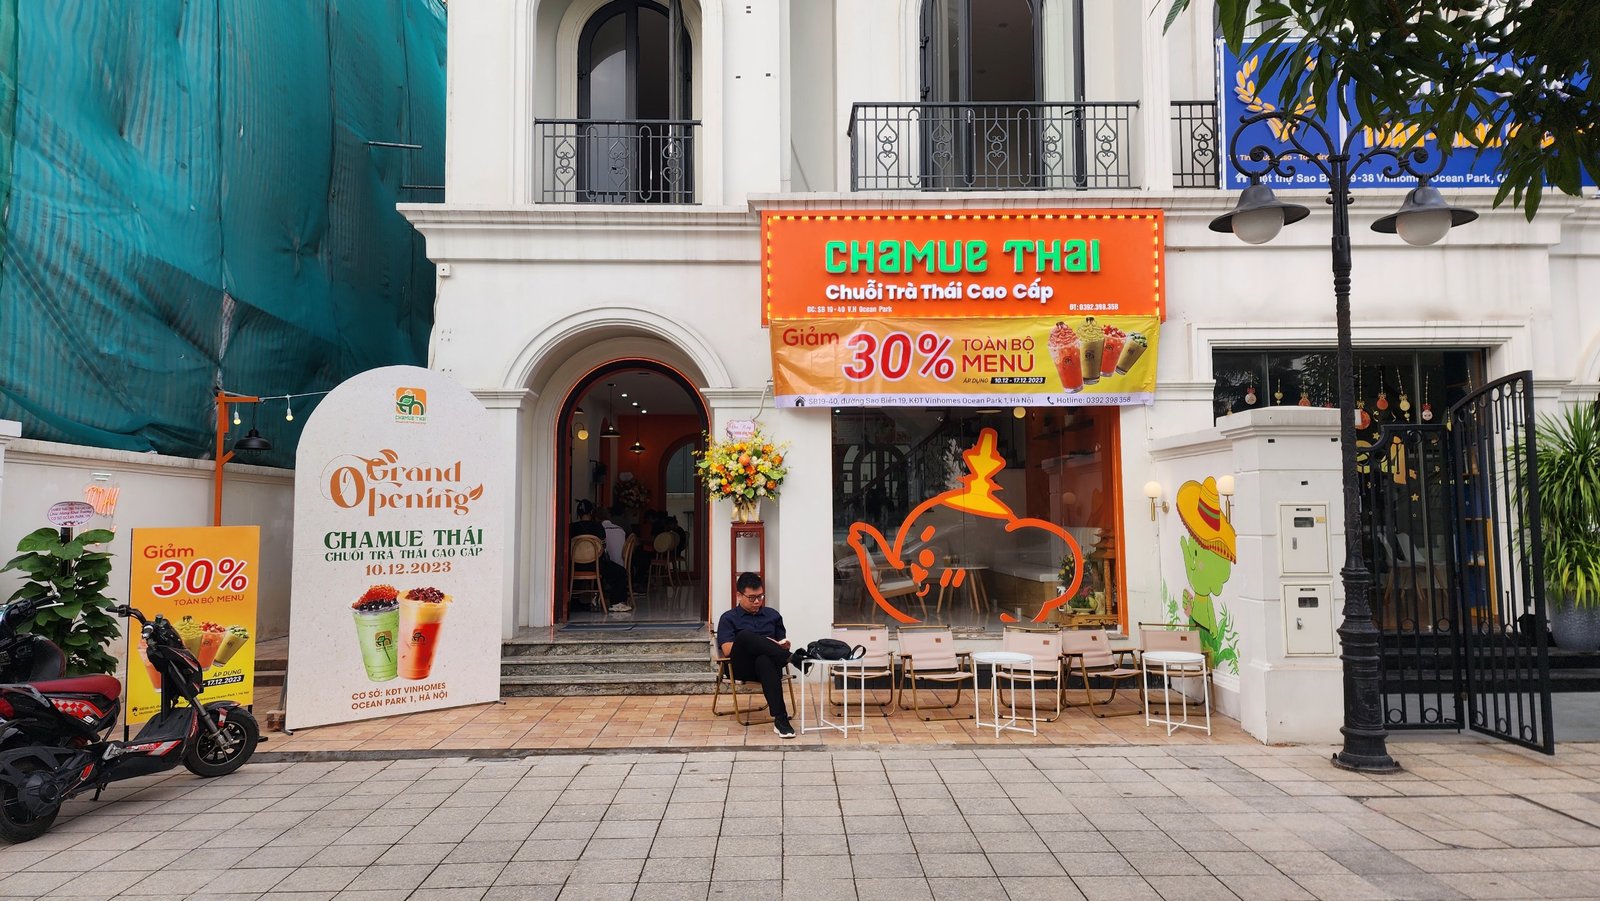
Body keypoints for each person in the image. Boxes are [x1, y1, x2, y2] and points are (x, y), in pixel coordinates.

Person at [716, 572, 795, 738]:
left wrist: (783, 645)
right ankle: (794, 659)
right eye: (752, 598)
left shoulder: (773, 615)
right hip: (741, 667)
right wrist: (763, 642)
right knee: (744, 636)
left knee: (764, 660)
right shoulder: (728, 618)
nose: (758, 601)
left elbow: (781, 641)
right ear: (739, 595)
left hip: (769, 667)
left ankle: (781, 720)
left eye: (760, 596)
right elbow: (728, 650)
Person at [597, 505, 631, 613]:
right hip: (621, 565)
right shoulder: (620, 530)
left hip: (601, 565)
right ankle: (618, 602)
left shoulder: (598, 530)